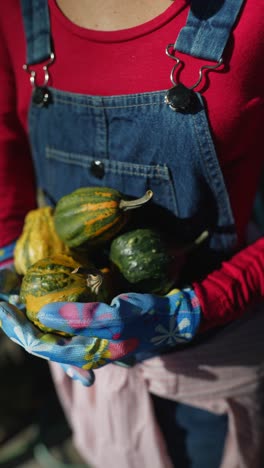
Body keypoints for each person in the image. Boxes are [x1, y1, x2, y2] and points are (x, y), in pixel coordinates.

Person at [0, 0, 264, 466]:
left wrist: (198, 307)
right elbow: (5, 147)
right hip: (90, 370)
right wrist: (9, 257)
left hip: (213, 369)